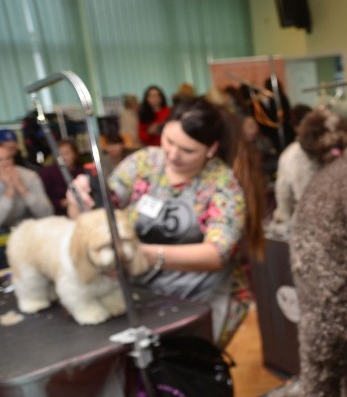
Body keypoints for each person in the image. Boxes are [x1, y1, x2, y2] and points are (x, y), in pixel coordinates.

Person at [67, 96, 265, 348]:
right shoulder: (144, 162)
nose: (172, 154)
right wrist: (78, 198)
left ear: (211, 149)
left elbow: (217, 253)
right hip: (141, 295)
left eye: (188, 150)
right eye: (168, 141)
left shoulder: (222, 185)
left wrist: (148, 255)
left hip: (200, 300)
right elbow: (97, 214)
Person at [0, 144, 53, 268]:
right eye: (0, 160)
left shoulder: (29, 176)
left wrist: (22, 189)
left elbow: (47, 213)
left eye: (8, 158)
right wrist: (10, 192)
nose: (5, 163)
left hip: (27, 229)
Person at [38, 139, 87, 215]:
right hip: (57, 215)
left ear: (75, 154)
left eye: (66, 153)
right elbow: (41, 197)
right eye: (59, 154)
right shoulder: (47, 173)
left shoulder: (82, 171)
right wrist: (60, 203)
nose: (63, 157)